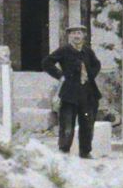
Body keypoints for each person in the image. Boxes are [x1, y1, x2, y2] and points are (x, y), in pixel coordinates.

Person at [41, 25, 103, 159]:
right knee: (67, 125)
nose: (76, 36)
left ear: (84, 36)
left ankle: (85, 152)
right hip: (69, 94)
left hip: (87, 94)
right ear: (69, 36)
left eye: (79, 33)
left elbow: (97, 64)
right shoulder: (64, 50)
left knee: (87, 125)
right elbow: (47, 62)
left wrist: (90, 75)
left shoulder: (88, 51)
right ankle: (64, 151)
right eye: (73, 33)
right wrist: (60, 75)